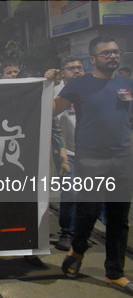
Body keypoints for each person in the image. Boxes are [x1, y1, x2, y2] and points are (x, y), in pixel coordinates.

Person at [46, 36, 133, 294]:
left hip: (122, 159)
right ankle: (78, 249)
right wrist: (47, 84)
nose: (113, 57)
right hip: (90, 160)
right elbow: (50, 110)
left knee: (119, 219)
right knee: (87, 212)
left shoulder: (126, 84)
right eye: (107, 53)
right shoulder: (79, 85)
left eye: (116, 52)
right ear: (93, 59)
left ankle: (114, 273)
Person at [53, 56, 84, 251]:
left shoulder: (89, 88)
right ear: (62, 72)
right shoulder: (56, 92)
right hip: (68, 151)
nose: (77, 71)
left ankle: (82, 231)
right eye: (71, 68)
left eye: (80, 67)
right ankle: (67, 231)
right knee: (71, 192)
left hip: (89, 151)